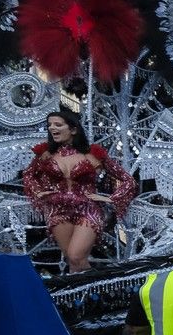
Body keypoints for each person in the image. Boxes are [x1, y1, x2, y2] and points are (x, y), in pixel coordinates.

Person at [21, 109, 137, 272]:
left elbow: (127, 180)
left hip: (87, 210)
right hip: (57, 211)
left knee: (76, 256)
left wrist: (111, 198)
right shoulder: (46, 155)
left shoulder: (93, 155)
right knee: (73, 260)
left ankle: (95, 292)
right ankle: (85, 296)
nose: (52, 128)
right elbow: (28, 175)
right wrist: (38, 191)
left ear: (73, 129)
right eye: (49, 125)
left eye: (58, 124)